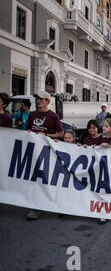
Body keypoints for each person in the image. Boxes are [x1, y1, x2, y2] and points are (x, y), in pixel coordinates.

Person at [25, 91, 64, 221]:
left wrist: (46, 135)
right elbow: (28, 130)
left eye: (42, 99)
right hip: (34, 151)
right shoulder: (32, 114)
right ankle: (35, 207)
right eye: (38, 99)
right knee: (35, 179)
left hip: (48, 152)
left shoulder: (53, 116)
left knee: (49, 179)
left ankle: (60, 204)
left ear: (48, 101)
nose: (39, 101)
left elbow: (61, 134)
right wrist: (30, 132)